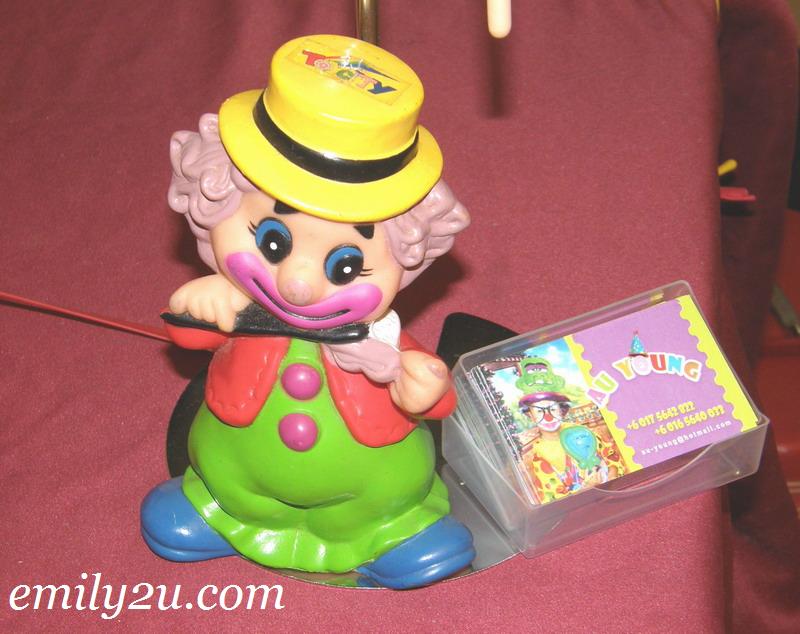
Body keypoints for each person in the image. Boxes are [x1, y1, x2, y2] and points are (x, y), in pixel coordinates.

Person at [139, 34, 474, 589]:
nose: (297, 285)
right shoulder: (239, 304)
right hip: (238, 476)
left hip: (367, 494)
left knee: (391, 493)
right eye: (272, 241)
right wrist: (198, 303)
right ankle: (220, 510)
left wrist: (427, 385)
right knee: (208, 491)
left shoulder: (379, 338)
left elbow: (438, 401)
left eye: (346, 265)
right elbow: (187, 333)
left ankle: (395, 531)